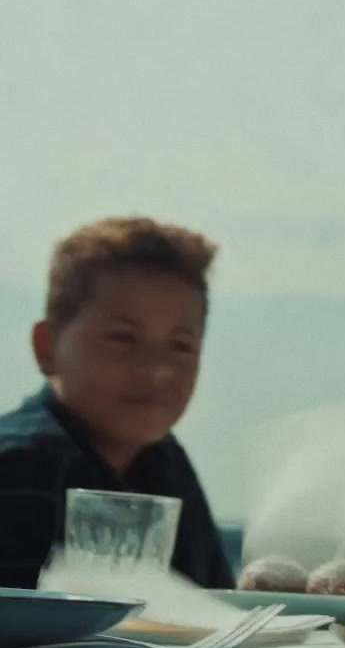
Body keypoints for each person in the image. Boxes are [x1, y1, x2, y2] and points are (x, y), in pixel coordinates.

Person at [0, 216, 234, 589]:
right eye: (123, 338)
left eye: (181, 345)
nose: (158, 370)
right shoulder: (20, 462)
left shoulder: (164, 461)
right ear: (48, 348)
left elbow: (209, 605)